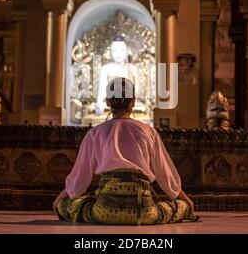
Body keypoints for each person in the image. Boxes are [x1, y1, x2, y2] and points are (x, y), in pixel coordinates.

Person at [53, 77, 199, 225]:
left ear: (108, 102)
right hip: (144, 212)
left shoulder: (95, 133)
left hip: (104, 211)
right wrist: (186, 200)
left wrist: (60, 199)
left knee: (69, 206)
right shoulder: (148, 131)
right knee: (180, 207)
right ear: (133, 102)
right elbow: (165, 174)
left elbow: (79, 179)